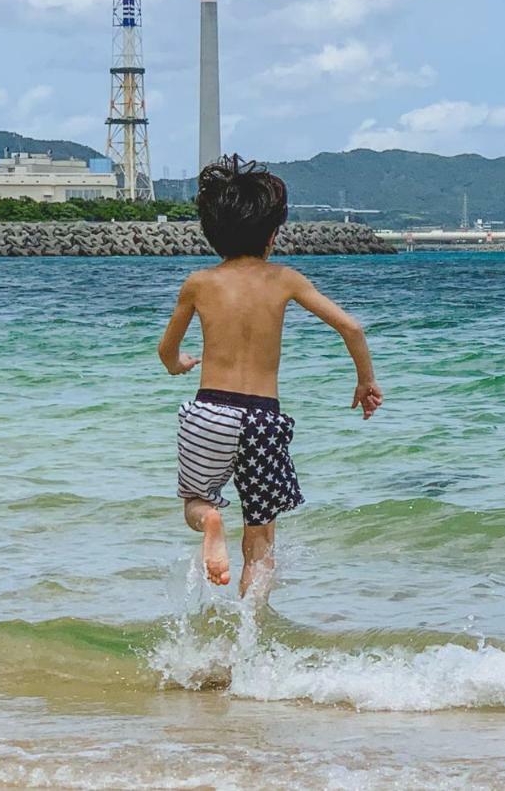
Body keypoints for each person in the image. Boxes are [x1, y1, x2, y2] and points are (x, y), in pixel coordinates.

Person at [157, 155, 383, 599]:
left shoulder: (199, 283)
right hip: (262, 419)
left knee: (196, 502)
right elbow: (351, 327)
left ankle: (211, 523)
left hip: (209, 412)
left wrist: (179, 364)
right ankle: (251, 641)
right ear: (273, 233)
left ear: (212, 232)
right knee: (260, 541)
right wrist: (365, 382)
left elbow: (166, 351)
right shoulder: (285, 279)